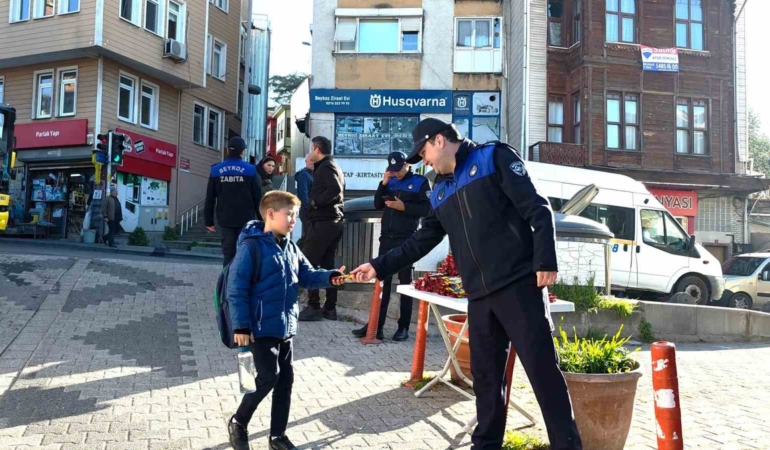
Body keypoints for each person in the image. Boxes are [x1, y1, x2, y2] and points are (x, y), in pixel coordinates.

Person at [352, 118, 583, 450]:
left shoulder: (494, 158)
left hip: (518, 286)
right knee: (486, 382)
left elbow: (538, 209)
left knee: (543, 373)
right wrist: (377, 266)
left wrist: (545, 260)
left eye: (424, 152)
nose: (425, 161)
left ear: (441, 140)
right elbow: (419, 242)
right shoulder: (441, 189)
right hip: (479, 296)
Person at [226, 191, 347, 450]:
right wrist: (241, 326)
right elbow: (236, 289)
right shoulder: (252, 246)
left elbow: (308, 275)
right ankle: (238, 421)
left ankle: (277, 437)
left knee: (285, 382)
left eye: (295, 215)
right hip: (259, 328)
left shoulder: (291, 247)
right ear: (271, 214)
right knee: (269, 378)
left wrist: (332, 276)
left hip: (285, 327)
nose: (294, 219)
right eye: (289, 214)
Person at [351, 151, 430, 341]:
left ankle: (403, 328)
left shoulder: (420, 182)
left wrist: (405, 208)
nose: (396, 173)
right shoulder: (390, 181)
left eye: (399, 169)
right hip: (386, 238)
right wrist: (383, 183)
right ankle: (376, 325)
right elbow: (378, 204)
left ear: (407, 165)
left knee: (404, 285)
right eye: (392, 170)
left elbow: (428, 209)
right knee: (382, 283)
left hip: (406, 239)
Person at [298, 136, 346, 322]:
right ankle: (330, 308)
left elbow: (334, 190)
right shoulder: (331, 166)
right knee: (327, 264)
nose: (309, 153)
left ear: (317, 149)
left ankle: (314, 306)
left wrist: (315, 202)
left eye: (311, 149)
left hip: (324, 222)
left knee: (308, 263)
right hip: (331, 222)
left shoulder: (326, 167)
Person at [204, 137, 263, 266]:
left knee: (229, 254)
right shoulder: (251, 170)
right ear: (242, 151)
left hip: (225, 219)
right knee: (245, 253)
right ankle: (243, 282)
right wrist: (262, 220)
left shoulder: (215, 170)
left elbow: (210, 197)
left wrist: (209, 221)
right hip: (246, 219)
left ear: (227, 150)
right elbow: (257, 198)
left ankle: (226, 282)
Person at [295, 154, 314, 249]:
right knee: (308, 236)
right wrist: (308, 209)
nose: (313, 162)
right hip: (307, 210)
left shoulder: (313, 174)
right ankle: (294, 253)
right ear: (306, 161)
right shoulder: (304, 175)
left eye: (315, 160)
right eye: (311, 160)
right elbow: (303, 194)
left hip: (311, 209)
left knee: (309, 236)